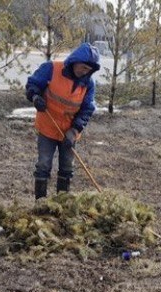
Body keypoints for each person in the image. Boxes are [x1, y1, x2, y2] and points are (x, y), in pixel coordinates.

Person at [26, 43, 101, 199]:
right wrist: (35, 97)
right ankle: (40, 203)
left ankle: (62, 202)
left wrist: (74, 131)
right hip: (48, 126)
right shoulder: (52, 68)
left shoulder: (88, 84)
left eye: (88, 70)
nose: (84, 72)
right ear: (74, 61)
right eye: (83, 67)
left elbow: (87, 109)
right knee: (43, 164)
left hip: (69, 132)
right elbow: (33, 84)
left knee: (67, 167)